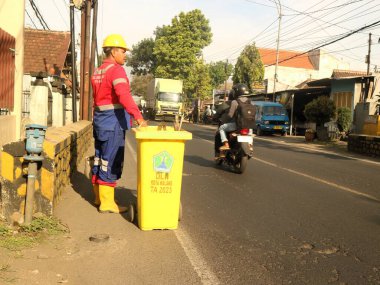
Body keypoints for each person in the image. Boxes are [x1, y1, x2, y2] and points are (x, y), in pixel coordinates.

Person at [91, 34, 147, 213]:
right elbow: (124, 96)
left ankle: (99, 198)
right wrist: (138, 117)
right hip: (113, 121)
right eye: (123, 52)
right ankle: (107, 204)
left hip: (100, 120)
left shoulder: (98, 70)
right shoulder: (116, 70)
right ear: (113, 52)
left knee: (100, 159)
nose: (125, 55)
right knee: (110, 160)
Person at [218, 83, 252, 151]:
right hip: (248, 125)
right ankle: (250, 145)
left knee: (221, 128)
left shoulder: (235, 102)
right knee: (250, 133)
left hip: (236, 125)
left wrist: (223, 121)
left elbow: (230, 115)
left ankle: (226, 144)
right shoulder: (250, 101)